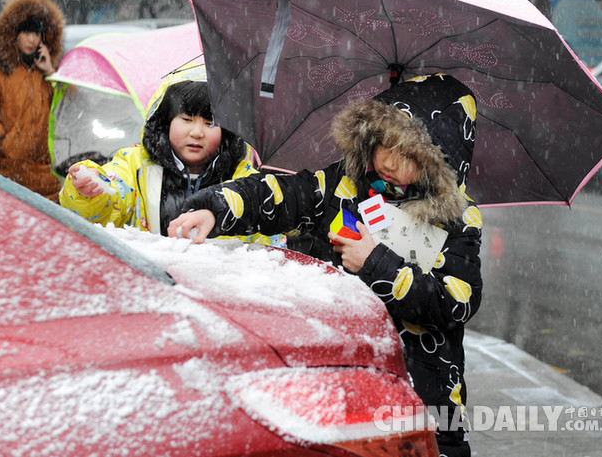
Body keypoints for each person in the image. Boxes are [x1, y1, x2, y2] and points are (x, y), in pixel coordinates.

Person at [167, 73, 482, 457]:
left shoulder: (458, 221)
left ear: (439, 162)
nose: (387, 162)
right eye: (382, 143)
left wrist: (374, 262)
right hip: (344, 381)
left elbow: (454, 303)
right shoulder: (346, 184)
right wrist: (217, 208)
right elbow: (285, 195)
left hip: (424, 397)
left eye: (409, 155)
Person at [59, 64, 281, 246]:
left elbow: (268, 245)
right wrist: (92, 191)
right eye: (186, 119)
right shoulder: (135, 165)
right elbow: (113, 194)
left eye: (210, 123)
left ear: (227, 133)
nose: (196, 132)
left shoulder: (245, 182)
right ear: (166, 123)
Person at [0, 0, 64, 201]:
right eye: (26, 32)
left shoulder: (49, 73)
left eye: (36, 34)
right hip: (10, 178)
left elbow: (67, 108)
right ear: (15, 34)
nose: (32, 39)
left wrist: (50, 71)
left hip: (49, 180)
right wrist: (5, 142)